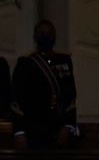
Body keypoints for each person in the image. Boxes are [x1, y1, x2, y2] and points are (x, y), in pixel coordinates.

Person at [12, 19, 80, 149]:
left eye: (49, 33)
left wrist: (69, 125)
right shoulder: (25, 63)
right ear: (35, 37)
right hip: (33, 128)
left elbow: (70, 96)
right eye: (42, 33)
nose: (46, 37)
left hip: (58, 128)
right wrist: (19, 131)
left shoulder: (64, 61)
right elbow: (16, 99)